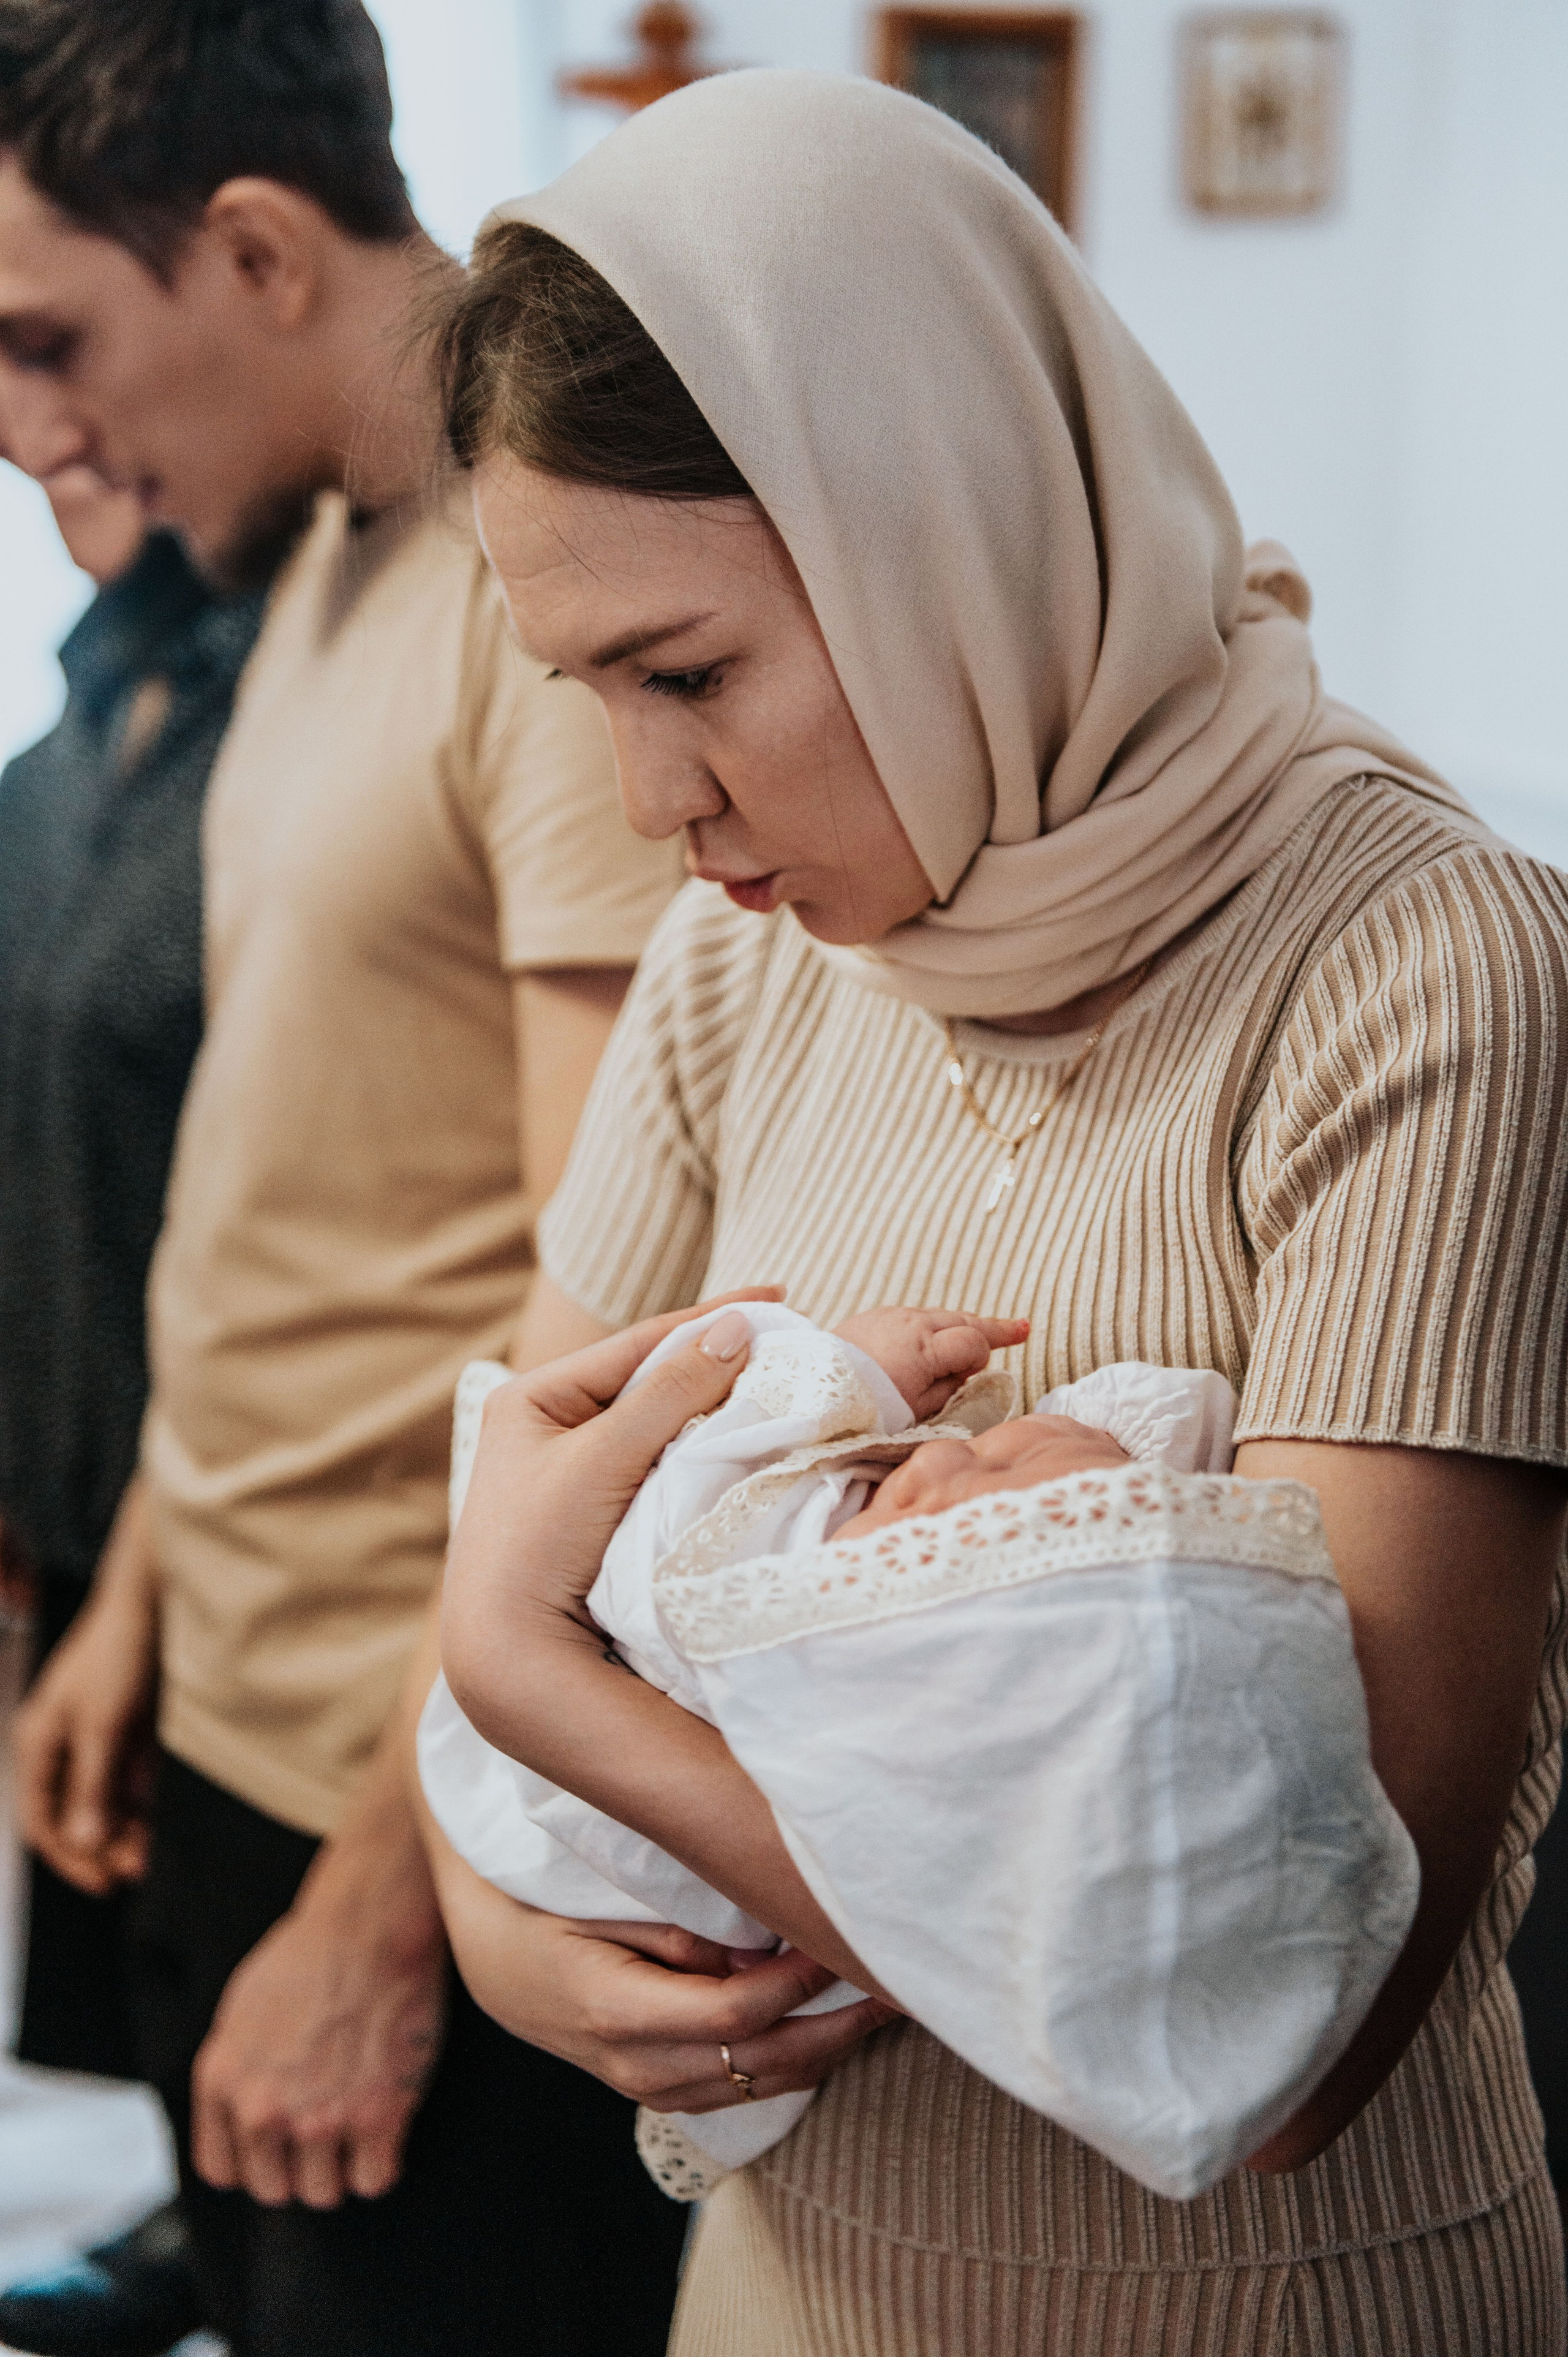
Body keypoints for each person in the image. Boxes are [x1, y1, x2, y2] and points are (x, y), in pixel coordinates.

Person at [409, 69, 1568, 2356]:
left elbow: (1280, 2017)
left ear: (932, 525)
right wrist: (494, 1920)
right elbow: (516, 1505)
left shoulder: (1431, 967)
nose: (656, 799)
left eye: (692, 672)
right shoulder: (748, 957)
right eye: (591, 694)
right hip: (772, 2284)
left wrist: (543, 1688)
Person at [0, 5, 685, 2352]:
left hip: (416, 1792)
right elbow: (288, 1159)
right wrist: (139, 1595)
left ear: (261, 250)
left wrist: (389, 1902)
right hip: (236, 1707)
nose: (28, 430)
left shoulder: (547, 586)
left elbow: (609, 1324)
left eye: (49, 337)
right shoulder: (303, 551)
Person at [424, 1303, 1417, 2207]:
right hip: (776, 2244)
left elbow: (569, 1551)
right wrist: (484, 1942)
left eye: (942, 1526)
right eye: (1011, 1463)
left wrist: (837, 1378)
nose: (942, 1464)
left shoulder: (770, 1611)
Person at [0, 458, 268, 2357]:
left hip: (231, 1461)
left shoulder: (291, 728)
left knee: (240, 1918)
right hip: (77, 1431)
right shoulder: (74, 728)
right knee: (137, 1909)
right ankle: (197, 2219)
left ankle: (232, 2242)